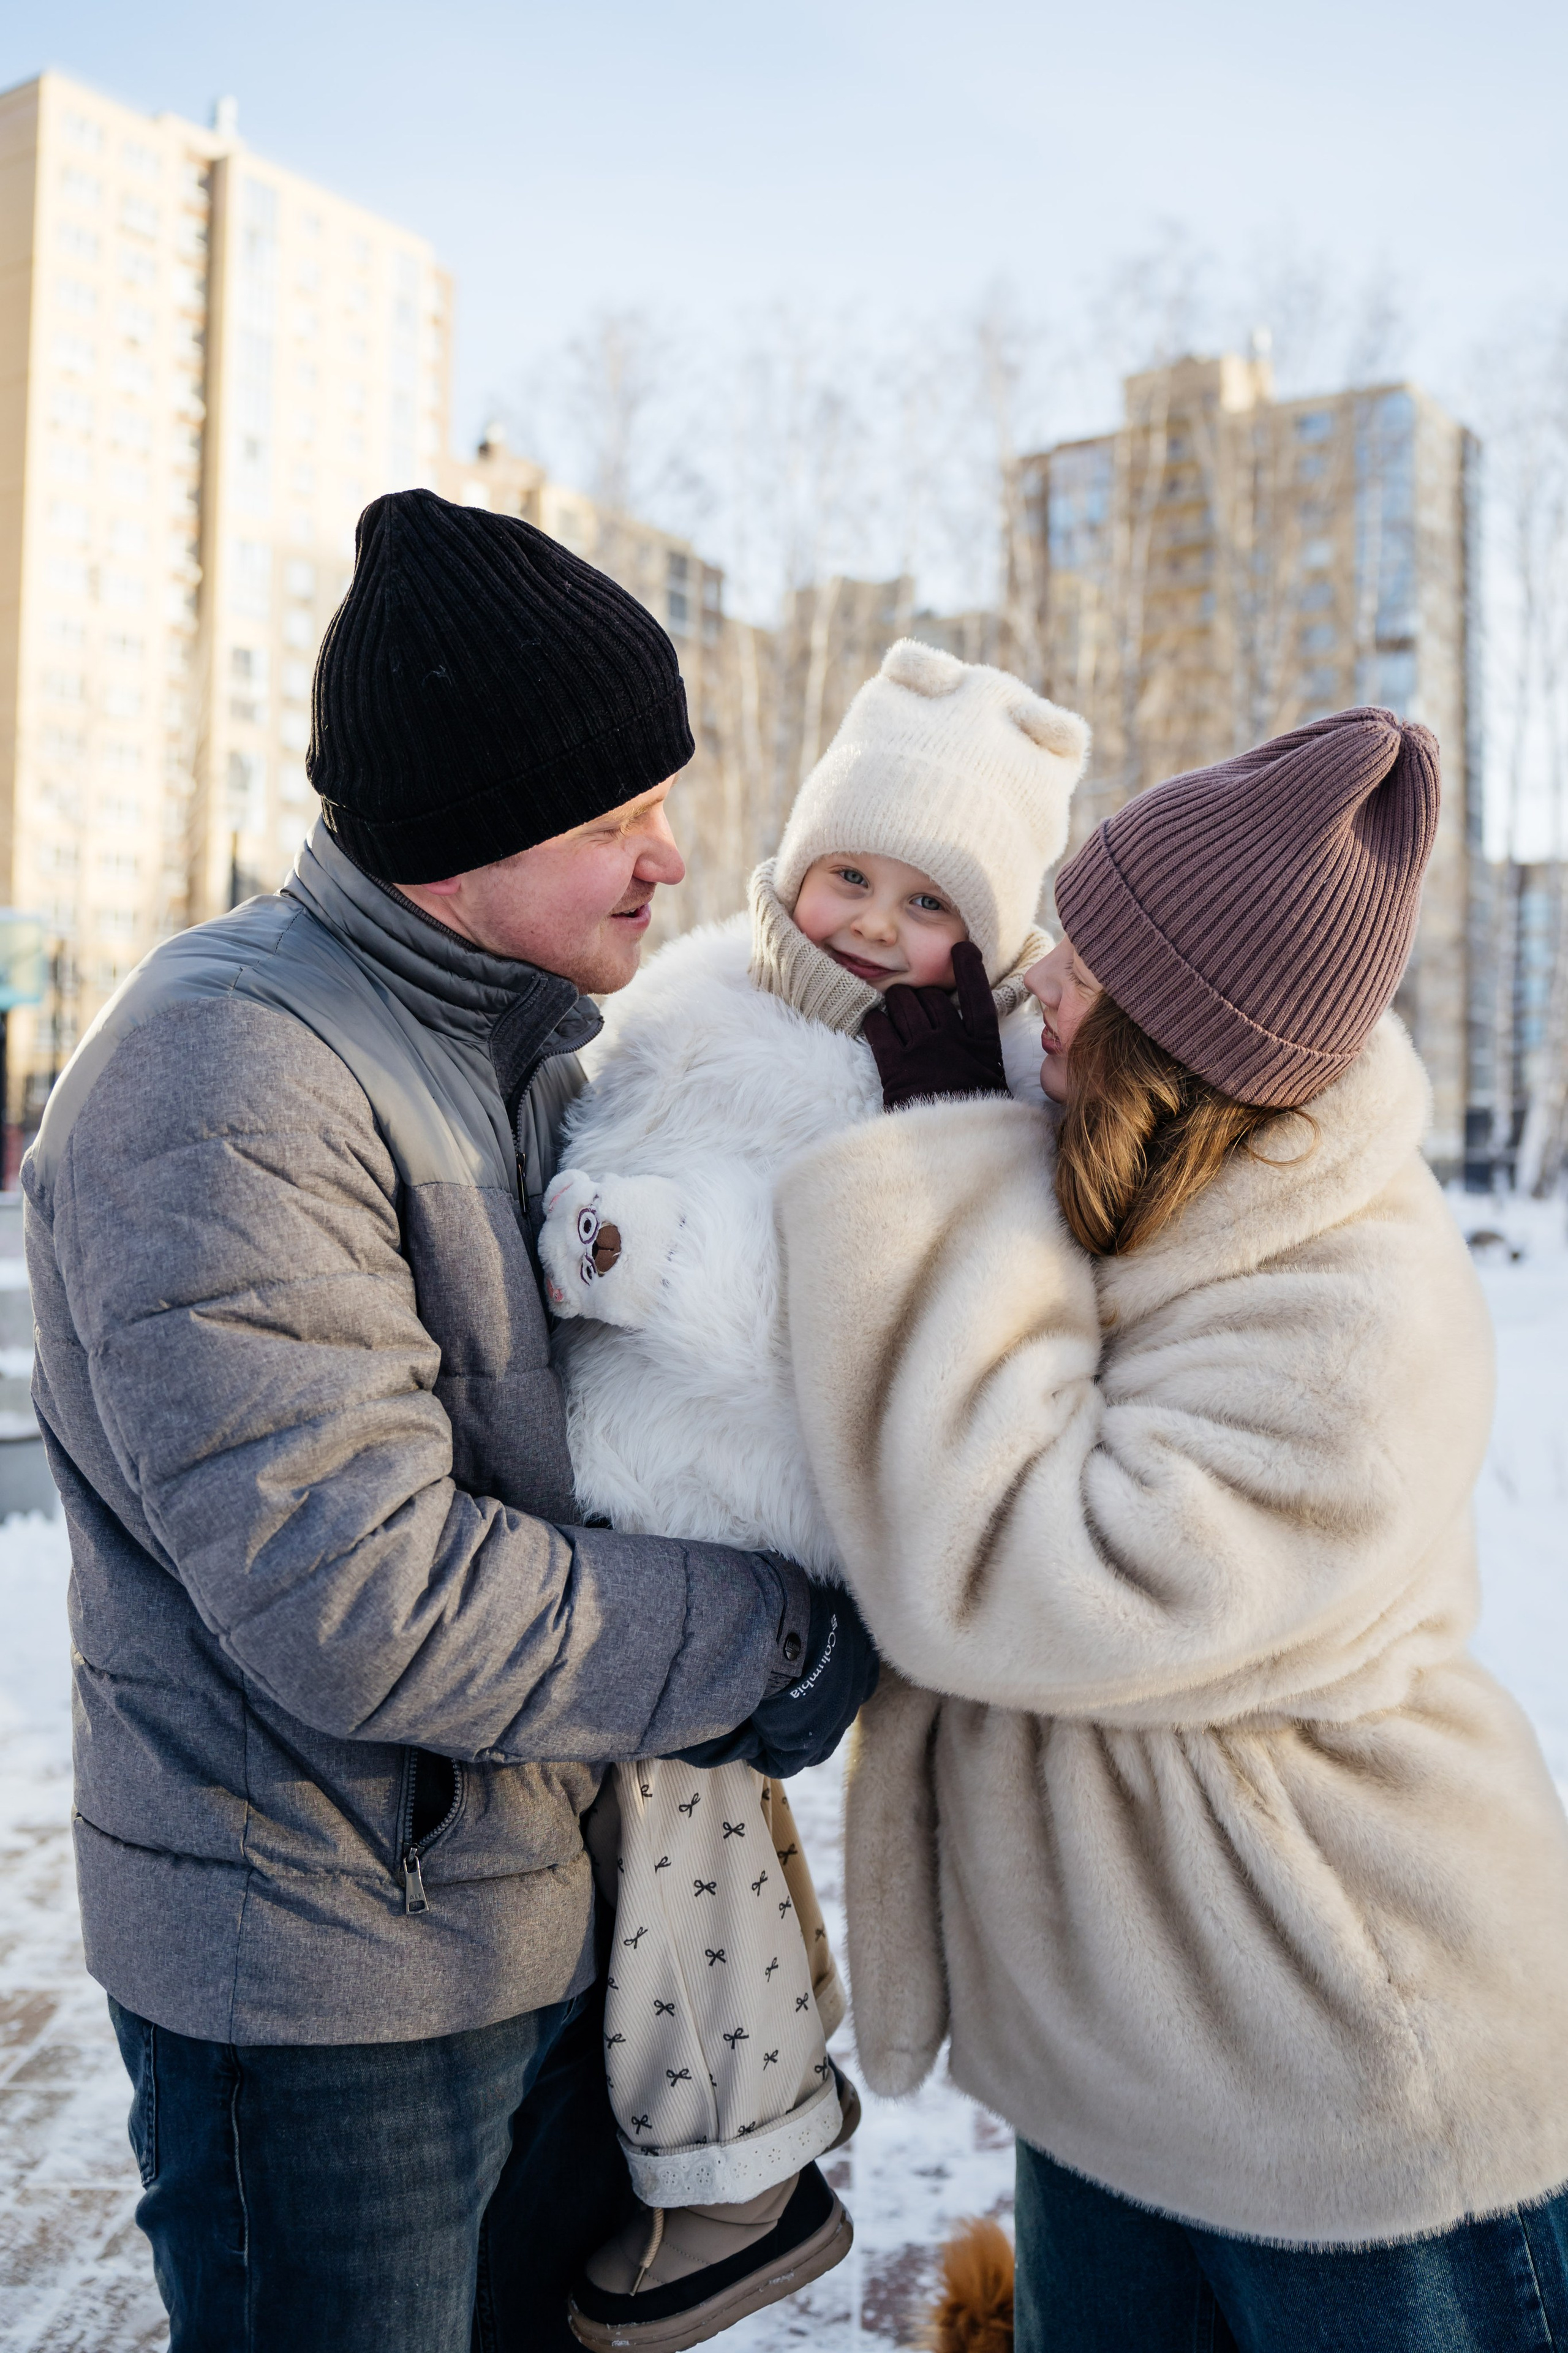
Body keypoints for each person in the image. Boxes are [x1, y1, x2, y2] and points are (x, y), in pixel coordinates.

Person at [21, 488, 876, 2353]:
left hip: (508, 1911)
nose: (670, 859)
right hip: (322, 1994)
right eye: (614, 817)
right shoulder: (232, 1067)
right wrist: (769, 1635)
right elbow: (365, 1592)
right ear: (462, 831)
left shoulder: (509, 1053)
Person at [776, 708, 1568, 2351]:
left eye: (1086, 963)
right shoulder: (1163, 1195)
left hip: (1343, 2059)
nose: (1041, 984)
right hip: (1123, 2051)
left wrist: (943, 1168)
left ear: (1182, 1034)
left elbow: (1012, 1572)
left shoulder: (1354, 1315)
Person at [533, 638, 1089, 2347]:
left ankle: (739, 2161)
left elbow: (856, 1337)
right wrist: (580, 1234)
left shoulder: (978, 1085)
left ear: (987, 943)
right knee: (635, 1856)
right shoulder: (692, 994)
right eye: (849, 872)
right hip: (596, 1491)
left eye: (928, 906)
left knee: (682, 1832)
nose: (868, 923)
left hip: (758, 1513)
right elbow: (587, 1151)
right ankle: (722, 2126)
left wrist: (652, 1259)